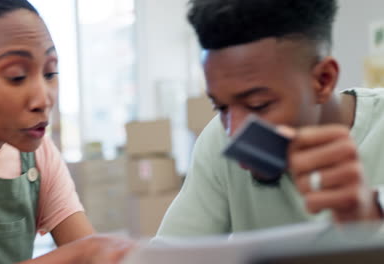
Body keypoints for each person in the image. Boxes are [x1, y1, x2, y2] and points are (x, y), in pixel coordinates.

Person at [0, 0, 133, 263]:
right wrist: (81, 253)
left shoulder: (39, 156)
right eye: (17, 76)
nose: (43, 99)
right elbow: (86, 251)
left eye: (50, 73)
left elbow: (92, 255)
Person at [157, 0, 384, 238]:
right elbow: (172, 250)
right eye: (220, 107)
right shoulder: (217, 141)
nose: (234, 133)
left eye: (258, 105)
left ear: (323, 80)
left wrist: (369, 222)